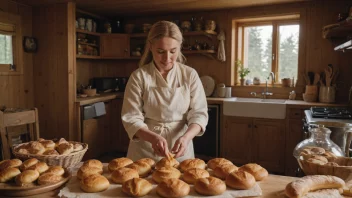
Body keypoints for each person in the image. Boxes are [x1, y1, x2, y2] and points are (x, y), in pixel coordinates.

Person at [121, 21, 208, 162]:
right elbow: (131, 118)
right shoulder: (139, 76)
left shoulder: (189, 75)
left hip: (180, 149)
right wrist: (152, 137)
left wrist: (186, 138)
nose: (167, 58)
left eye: (173, 51)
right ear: (150, 47)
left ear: (180, 48)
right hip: (145, 150)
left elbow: (199, 114)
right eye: (160, 51)